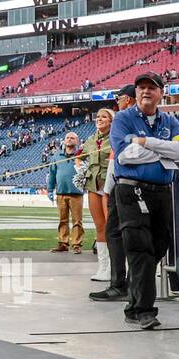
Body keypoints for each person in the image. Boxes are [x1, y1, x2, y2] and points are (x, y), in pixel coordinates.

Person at [110, 73, 179, 330]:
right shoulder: (123, 118)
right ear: (135, 92)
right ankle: (145, 310)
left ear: (161, 93)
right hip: (131, 191)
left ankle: (133, 306)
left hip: (161, 191)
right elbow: (125, 156)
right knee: (139, 248)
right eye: (141, 87)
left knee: (158, 245)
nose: (146, 91)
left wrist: (145, 142)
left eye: (151, 88)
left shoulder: (170, 120)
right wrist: (161, 150)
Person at [90, 85, 137, 303]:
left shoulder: (123, 120)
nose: (117, 101)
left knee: (121, 231)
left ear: (127, 99)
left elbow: (115, 156)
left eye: (119, 98)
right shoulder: (135, 119)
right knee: (117, 230)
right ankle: (122, 280)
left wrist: (107, 187)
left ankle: (122, 282)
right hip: (124, 179)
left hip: (127, 180)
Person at [79, 109, 113, 282]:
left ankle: (116, 267)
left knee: (112, 227)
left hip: (110, 186)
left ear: (111, 121)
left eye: (104, 117)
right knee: (99, 226)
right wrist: (80, 170)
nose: (99, 119)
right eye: (97, 116)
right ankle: (103, 267)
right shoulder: (90, 140)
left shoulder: (115, 138)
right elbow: (79, 157)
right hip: (93, 185)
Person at [47, 132, 85, 254]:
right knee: (62, 220)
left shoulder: (81, 155)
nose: (69, 139)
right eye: (67, 138)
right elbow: (52, 174)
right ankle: (63, 243)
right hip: (61, 193)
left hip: (76, 193)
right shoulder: (56, 156)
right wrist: (49, 190)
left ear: (77, 141)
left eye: (72, 138)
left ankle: (76, 244)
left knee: (77, 221)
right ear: (64, 140)